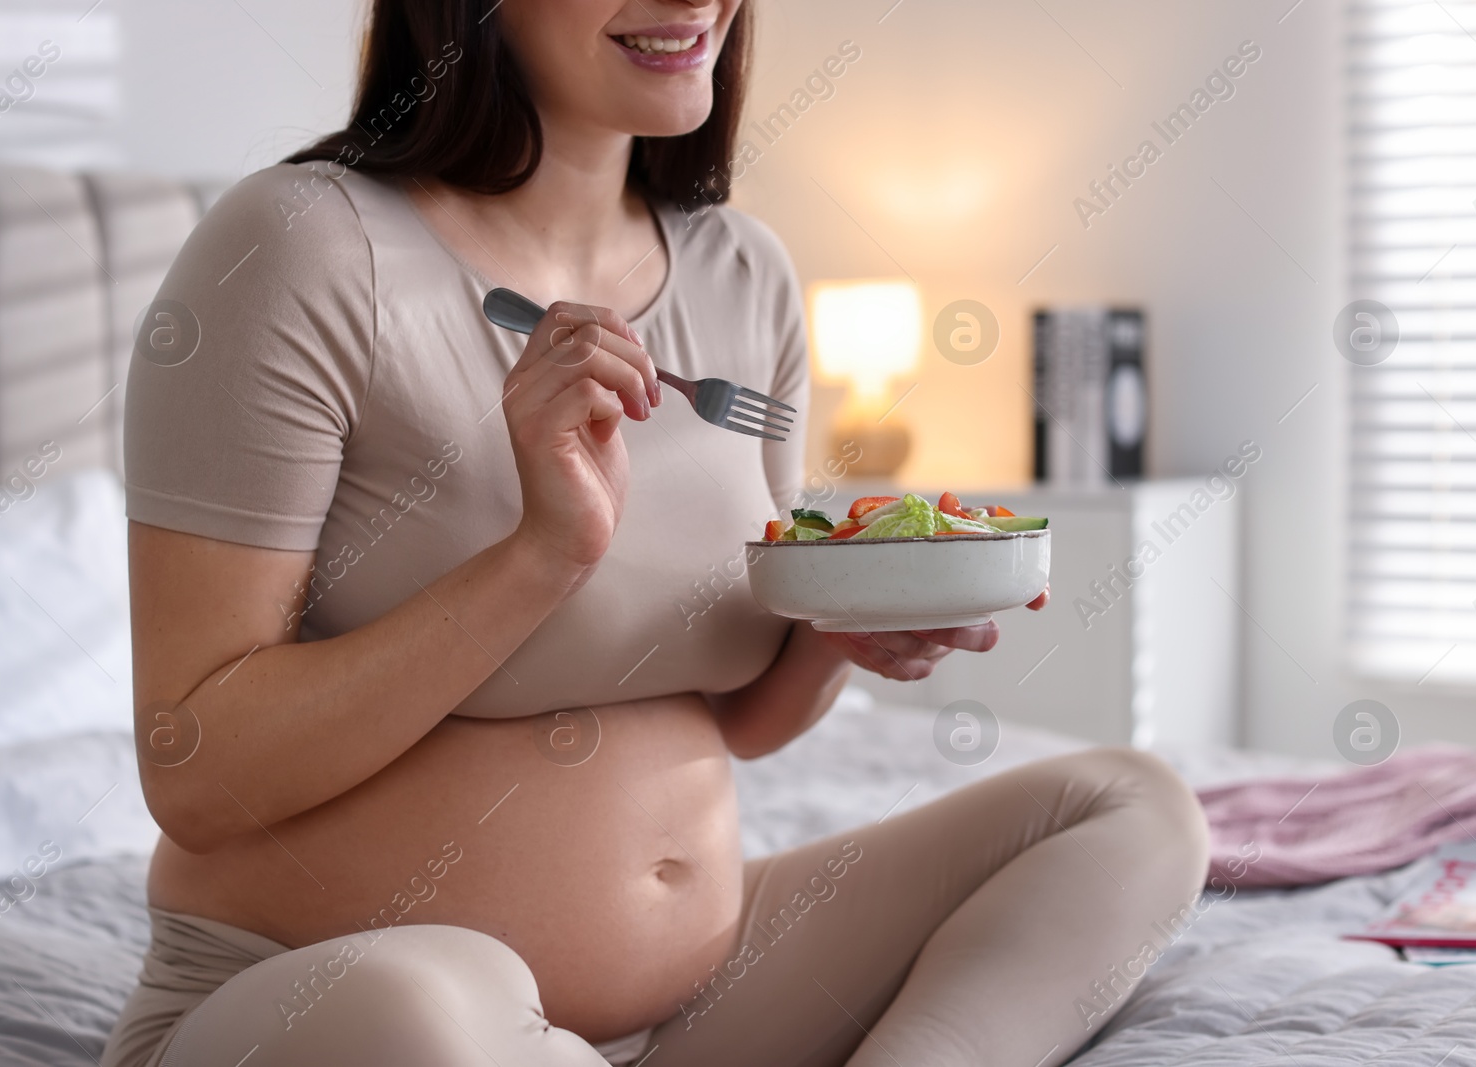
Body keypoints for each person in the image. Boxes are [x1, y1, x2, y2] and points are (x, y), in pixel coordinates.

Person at [104, 2, 1208, 1064]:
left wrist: (845, 628)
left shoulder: (745, 273)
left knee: (1129, 807)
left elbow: (742, 718)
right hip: (341, 1001)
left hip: (702, 1000)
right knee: (419, 1007)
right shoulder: (302, 248)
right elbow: (195, 773)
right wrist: (542, 556)